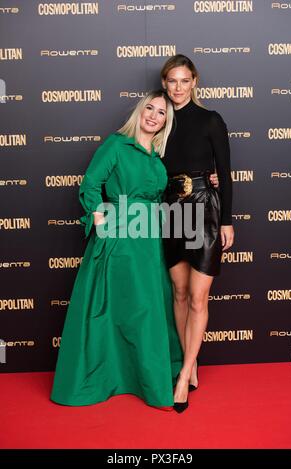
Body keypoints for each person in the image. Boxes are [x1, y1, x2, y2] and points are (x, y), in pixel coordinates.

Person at [50, 90, 183, 408]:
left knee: (146, 309)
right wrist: (100, 219)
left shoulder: (155, 158)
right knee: (118, 309)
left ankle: (148, 381)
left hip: (149, 240)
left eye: (161, 112)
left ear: (166, 121)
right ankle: (110, 378)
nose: (153, 115)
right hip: (120, 235)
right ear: (139, 111)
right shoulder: (115, 145)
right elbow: (91, 183)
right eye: (149, 108)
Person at [160, 54, 234, 412]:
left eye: (184, 81)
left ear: (194, 82)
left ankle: (186, 372)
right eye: (172, 81)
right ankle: (189, 364)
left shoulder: (210, 120)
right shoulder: (158, 120)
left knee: (198, 298)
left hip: (204, 208)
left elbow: (226, 172)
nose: (178, 88)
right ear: (164, 84)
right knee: (179, 291)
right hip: (172, 210)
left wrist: (227, 220)